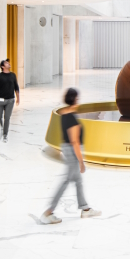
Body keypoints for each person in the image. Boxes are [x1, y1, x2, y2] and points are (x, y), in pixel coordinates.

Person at [40, 88, 101, 224]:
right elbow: (75, 142)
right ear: (74, 100)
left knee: (78, 181)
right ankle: (48, 212)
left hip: (66, 149)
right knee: (66, 181)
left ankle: (85, 209)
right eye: (77, 99)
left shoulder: (65, 114)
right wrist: (81, 162)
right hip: (72, 152)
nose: (79, 101)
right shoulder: (72, 118)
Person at [0, 59, 20, 142]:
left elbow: (16, 87)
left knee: (7, 118)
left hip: (10, 100)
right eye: (6, 63)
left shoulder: (13, 75)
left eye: (8, 63)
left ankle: (5, 135)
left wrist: (18, 97)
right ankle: (2, 128)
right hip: (0, 100)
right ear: (2, 66)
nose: (8, 64)